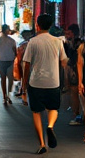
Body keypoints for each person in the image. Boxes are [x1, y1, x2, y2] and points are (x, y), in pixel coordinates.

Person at [22, 14, 67, 154]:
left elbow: (27, 64)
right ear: (50, 26)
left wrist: (24, 85)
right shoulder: (58, 42)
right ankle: (50, 126)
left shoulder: (32, 42)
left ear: (37, 25)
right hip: (53, 82)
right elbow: (64, 61)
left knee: (36, 112)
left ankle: (42, 143)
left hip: (36, 83)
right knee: (53, 108)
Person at [63, 24, 84, 125]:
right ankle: (77, 113)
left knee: (75, 92)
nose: (67, 35)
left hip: (76, 71)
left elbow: (75, 58)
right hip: (73, 70)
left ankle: (77, 115)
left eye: (69, 33)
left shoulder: (77, 43)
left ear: (74, 33)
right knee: (73, 92)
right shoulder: (70, 43)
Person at [0, 23, 18, 105]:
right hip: (4, 61)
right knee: (6, 79)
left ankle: (7, 96)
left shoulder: (10, 41)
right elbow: (15, 52)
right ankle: (6, 96)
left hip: (7, 61)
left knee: (6, 79)